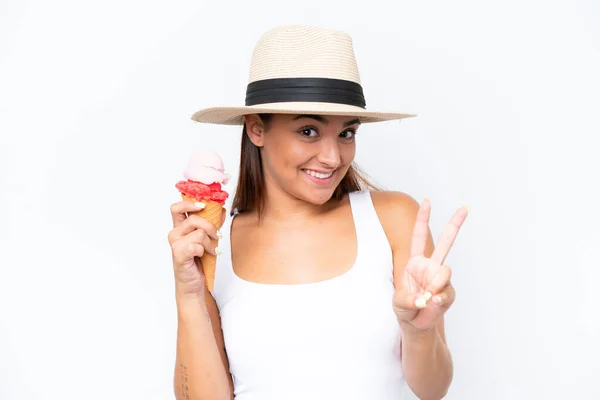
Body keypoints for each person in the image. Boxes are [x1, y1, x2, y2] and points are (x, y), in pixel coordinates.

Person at [168, 25, 468, 400]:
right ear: (256, 128)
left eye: (347, 133)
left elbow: (433, 389)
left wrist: (420, 331)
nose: (332, 157)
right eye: (309, 131)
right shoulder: (214, 247)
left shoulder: (392, 219)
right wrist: (189, 293)